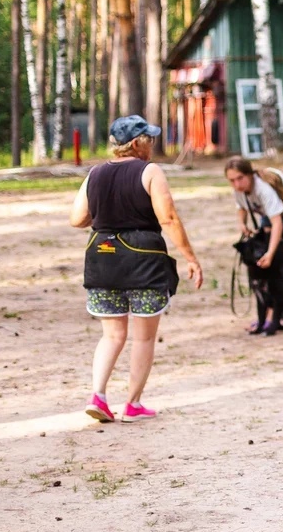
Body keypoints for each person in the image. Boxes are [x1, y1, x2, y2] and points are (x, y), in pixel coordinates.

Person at [70, 115, 203, 423]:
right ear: (137, 143)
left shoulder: (95, 173)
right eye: (150, 139)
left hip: (102, 259)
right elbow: (168, 218)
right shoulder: (150, 171)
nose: (152, 145)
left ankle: (98, 396)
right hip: (143, 262)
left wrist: (108, 215)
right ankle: (132, 403)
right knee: (142, 337)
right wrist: (191, 259)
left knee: (112, 335)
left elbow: (77, 219)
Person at [225, 156, 283, 262]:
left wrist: (270, 254)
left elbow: (277, 223)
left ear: (250, 174)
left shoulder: (263, 189)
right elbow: (241, 207)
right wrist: (242, 224)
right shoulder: (238, 189)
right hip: (268, 213)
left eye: (240, 178)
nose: (237, 184)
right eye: (232, 180)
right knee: (265, 249)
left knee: (281, 256)